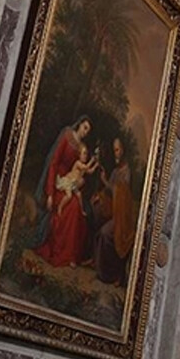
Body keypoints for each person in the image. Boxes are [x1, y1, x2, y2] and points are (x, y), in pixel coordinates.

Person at [34, 116, 93, 266]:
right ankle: (63, 253)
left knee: (79, 208)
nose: (86, 132)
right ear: (79, 125)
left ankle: (72, 255)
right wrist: (50, 194)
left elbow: (79, 171)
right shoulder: (66, 135)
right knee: (72, 207)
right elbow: (53, 163)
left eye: (88, 130)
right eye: (85, 128)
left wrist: (79, 181)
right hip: (58, 182)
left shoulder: (82, 147)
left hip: (69, 183)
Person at [93, 138, 136, 285]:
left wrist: (106, 182)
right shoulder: (116, 171)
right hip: (115, 213)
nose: (115, 153)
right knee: (99, 230)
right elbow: (110, 192)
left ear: (123, 150)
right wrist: (99, 196)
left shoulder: (126, 171)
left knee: (106, 233)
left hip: (122, 218)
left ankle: (110, 274)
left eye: (117, 149)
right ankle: (101, 270)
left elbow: (121, 195)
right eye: (114, 150)